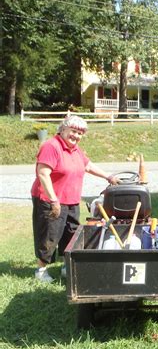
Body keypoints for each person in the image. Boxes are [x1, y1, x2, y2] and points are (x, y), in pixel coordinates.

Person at [31, 115, 121, 282]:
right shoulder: (51, 146)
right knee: (50, 234)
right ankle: (41, 270)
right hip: (50, 199)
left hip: (71, 199)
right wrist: (53, 200)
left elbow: (87, 165)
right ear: (63, 129)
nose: (76, 136)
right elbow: (43, 174)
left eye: (80, 133)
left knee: (71, 234)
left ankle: (66, 266)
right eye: (73, 131)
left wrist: (108, 177)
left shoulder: (75, 149)